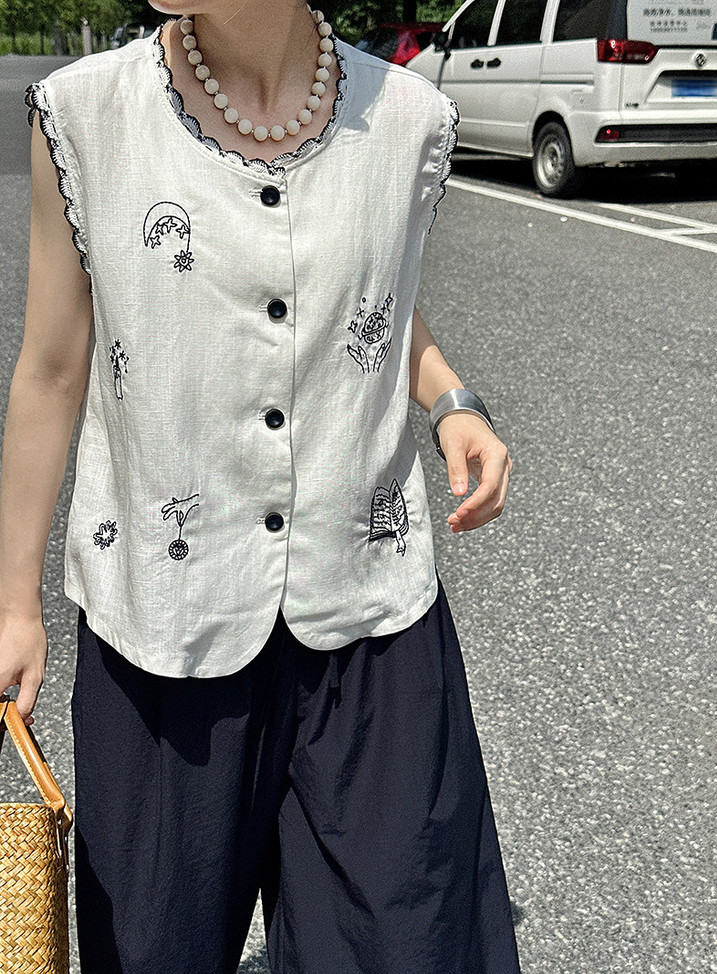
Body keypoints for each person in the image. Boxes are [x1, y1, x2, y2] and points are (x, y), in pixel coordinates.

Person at [0, 1, 521, 971]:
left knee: (403, 941)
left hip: (370, 622)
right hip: (162, 626)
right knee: (154, 951)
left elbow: (376, 298)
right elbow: (52, 370)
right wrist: (13, 604)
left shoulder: (407, 117)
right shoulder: (85, 116)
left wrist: (451, 399)